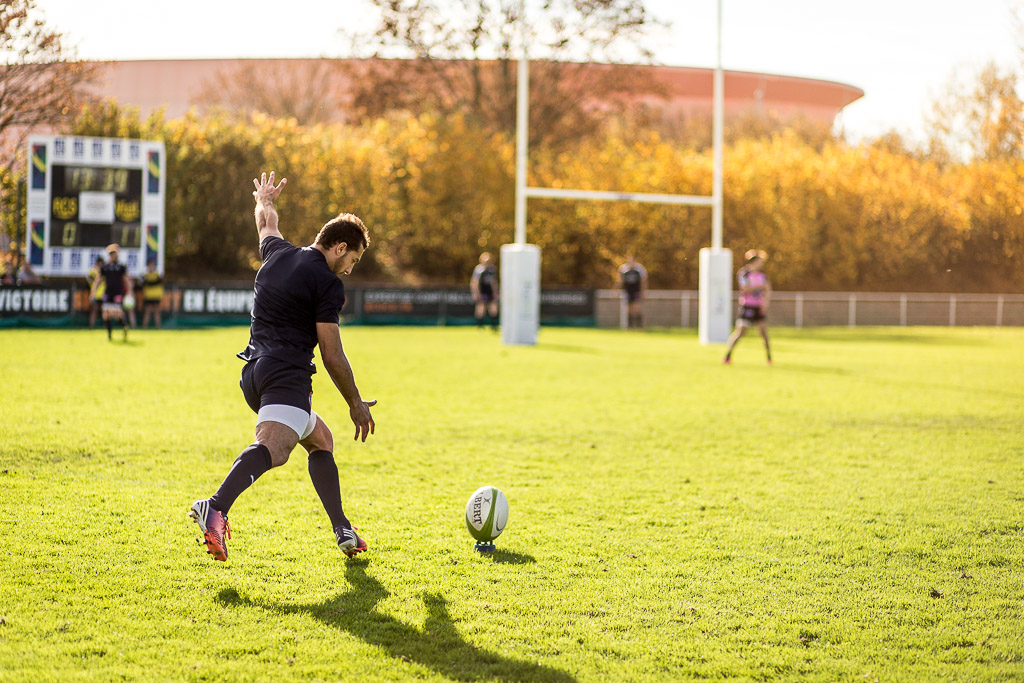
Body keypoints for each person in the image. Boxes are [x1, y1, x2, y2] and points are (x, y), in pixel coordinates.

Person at [190, 171, 376, 563]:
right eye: (353, 260)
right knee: (274, 448)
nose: (350, 270)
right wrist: (355, 402)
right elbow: (331, 353)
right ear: (340, 247)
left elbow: (265, 223)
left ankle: (343, 529)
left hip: (254, 373)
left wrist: (265, 199)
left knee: (320, 439)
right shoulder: (327, 283)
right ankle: (216, 506)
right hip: (286, 374)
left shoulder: (277, 252)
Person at [723, 249, 772, 365]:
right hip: (747, 307)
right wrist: (759, 286)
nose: (762, 264)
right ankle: (728, 356)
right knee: (740, 332)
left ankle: (769, 358)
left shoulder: (763, 275)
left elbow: (768, 289)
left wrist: (765, 303)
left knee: (764, 334)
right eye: (760, 261)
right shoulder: (744, 274)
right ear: (754, 261)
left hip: (758, 307)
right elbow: (745, 289)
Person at [90, 244, 132, 342]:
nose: (113, 255)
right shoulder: (105, 267)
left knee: (117, 313)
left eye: (114, 253)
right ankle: (109, 333)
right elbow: (98, 280)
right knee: (106, 313)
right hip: (108, 293)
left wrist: (130, 292)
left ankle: (124, 326)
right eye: (111, 253)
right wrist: (93, 292)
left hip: (118, 293)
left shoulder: (121, 267)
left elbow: (126, 280)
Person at [470, 252, 499, 330]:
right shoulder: (479, 270)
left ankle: (493, 326)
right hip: (482, 291)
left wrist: (495, 292)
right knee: (481, 308)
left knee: (494, 308)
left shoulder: (492, 270)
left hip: (490, 291)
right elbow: (474, 282)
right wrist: (476, 293)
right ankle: (480, 326)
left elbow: (494, 282)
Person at [618, 255, 648, 329]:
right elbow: (620, 281)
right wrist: (615, 289)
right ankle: (630, 326)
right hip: (628, 292)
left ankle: (640, 326)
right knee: (629, 309)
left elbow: (644, 281)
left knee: (636, 308)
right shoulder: (623, 269)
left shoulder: (639, 269)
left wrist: (643, 291)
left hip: (636, 291)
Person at [139, 259, 164, 328]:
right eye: (150, 265)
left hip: (156, 295)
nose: (151, 266)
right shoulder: (145, 275)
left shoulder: (157, 274)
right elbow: (141, 283)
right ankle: (144, 327)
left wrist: (149, 282)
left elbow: (158, 282)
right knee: (147, 311)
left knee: (156, 311)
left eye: (152, 265)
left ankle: (158, 327)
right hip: (148, 295)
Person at [87, 257, 105, 328]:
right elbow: (89, 279)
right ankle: (91, 325)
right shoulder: (93, 270)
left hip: (103, 293)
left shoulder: (104, 270)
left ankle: (105, 325)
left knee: (104, 310)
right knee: (94, 310)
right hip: (95, 294)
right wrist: (95, 280)